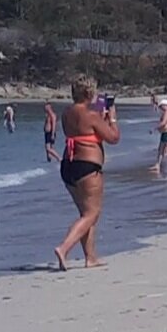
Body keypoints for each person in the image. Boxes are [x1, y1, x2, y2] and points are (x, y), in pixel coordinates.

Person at [53, 74, 121, 271]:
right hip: (87, 166)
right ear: (89, 93)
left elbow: (84, 131)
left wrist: (101, 119)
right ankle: (64, 248)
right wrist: (112, 118)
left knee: (85, 214)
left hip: (68, 164)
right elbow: (113, 137)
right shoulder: (91, 115)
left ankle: (90, 257)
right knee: (92, 213)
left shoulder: (67, 113)